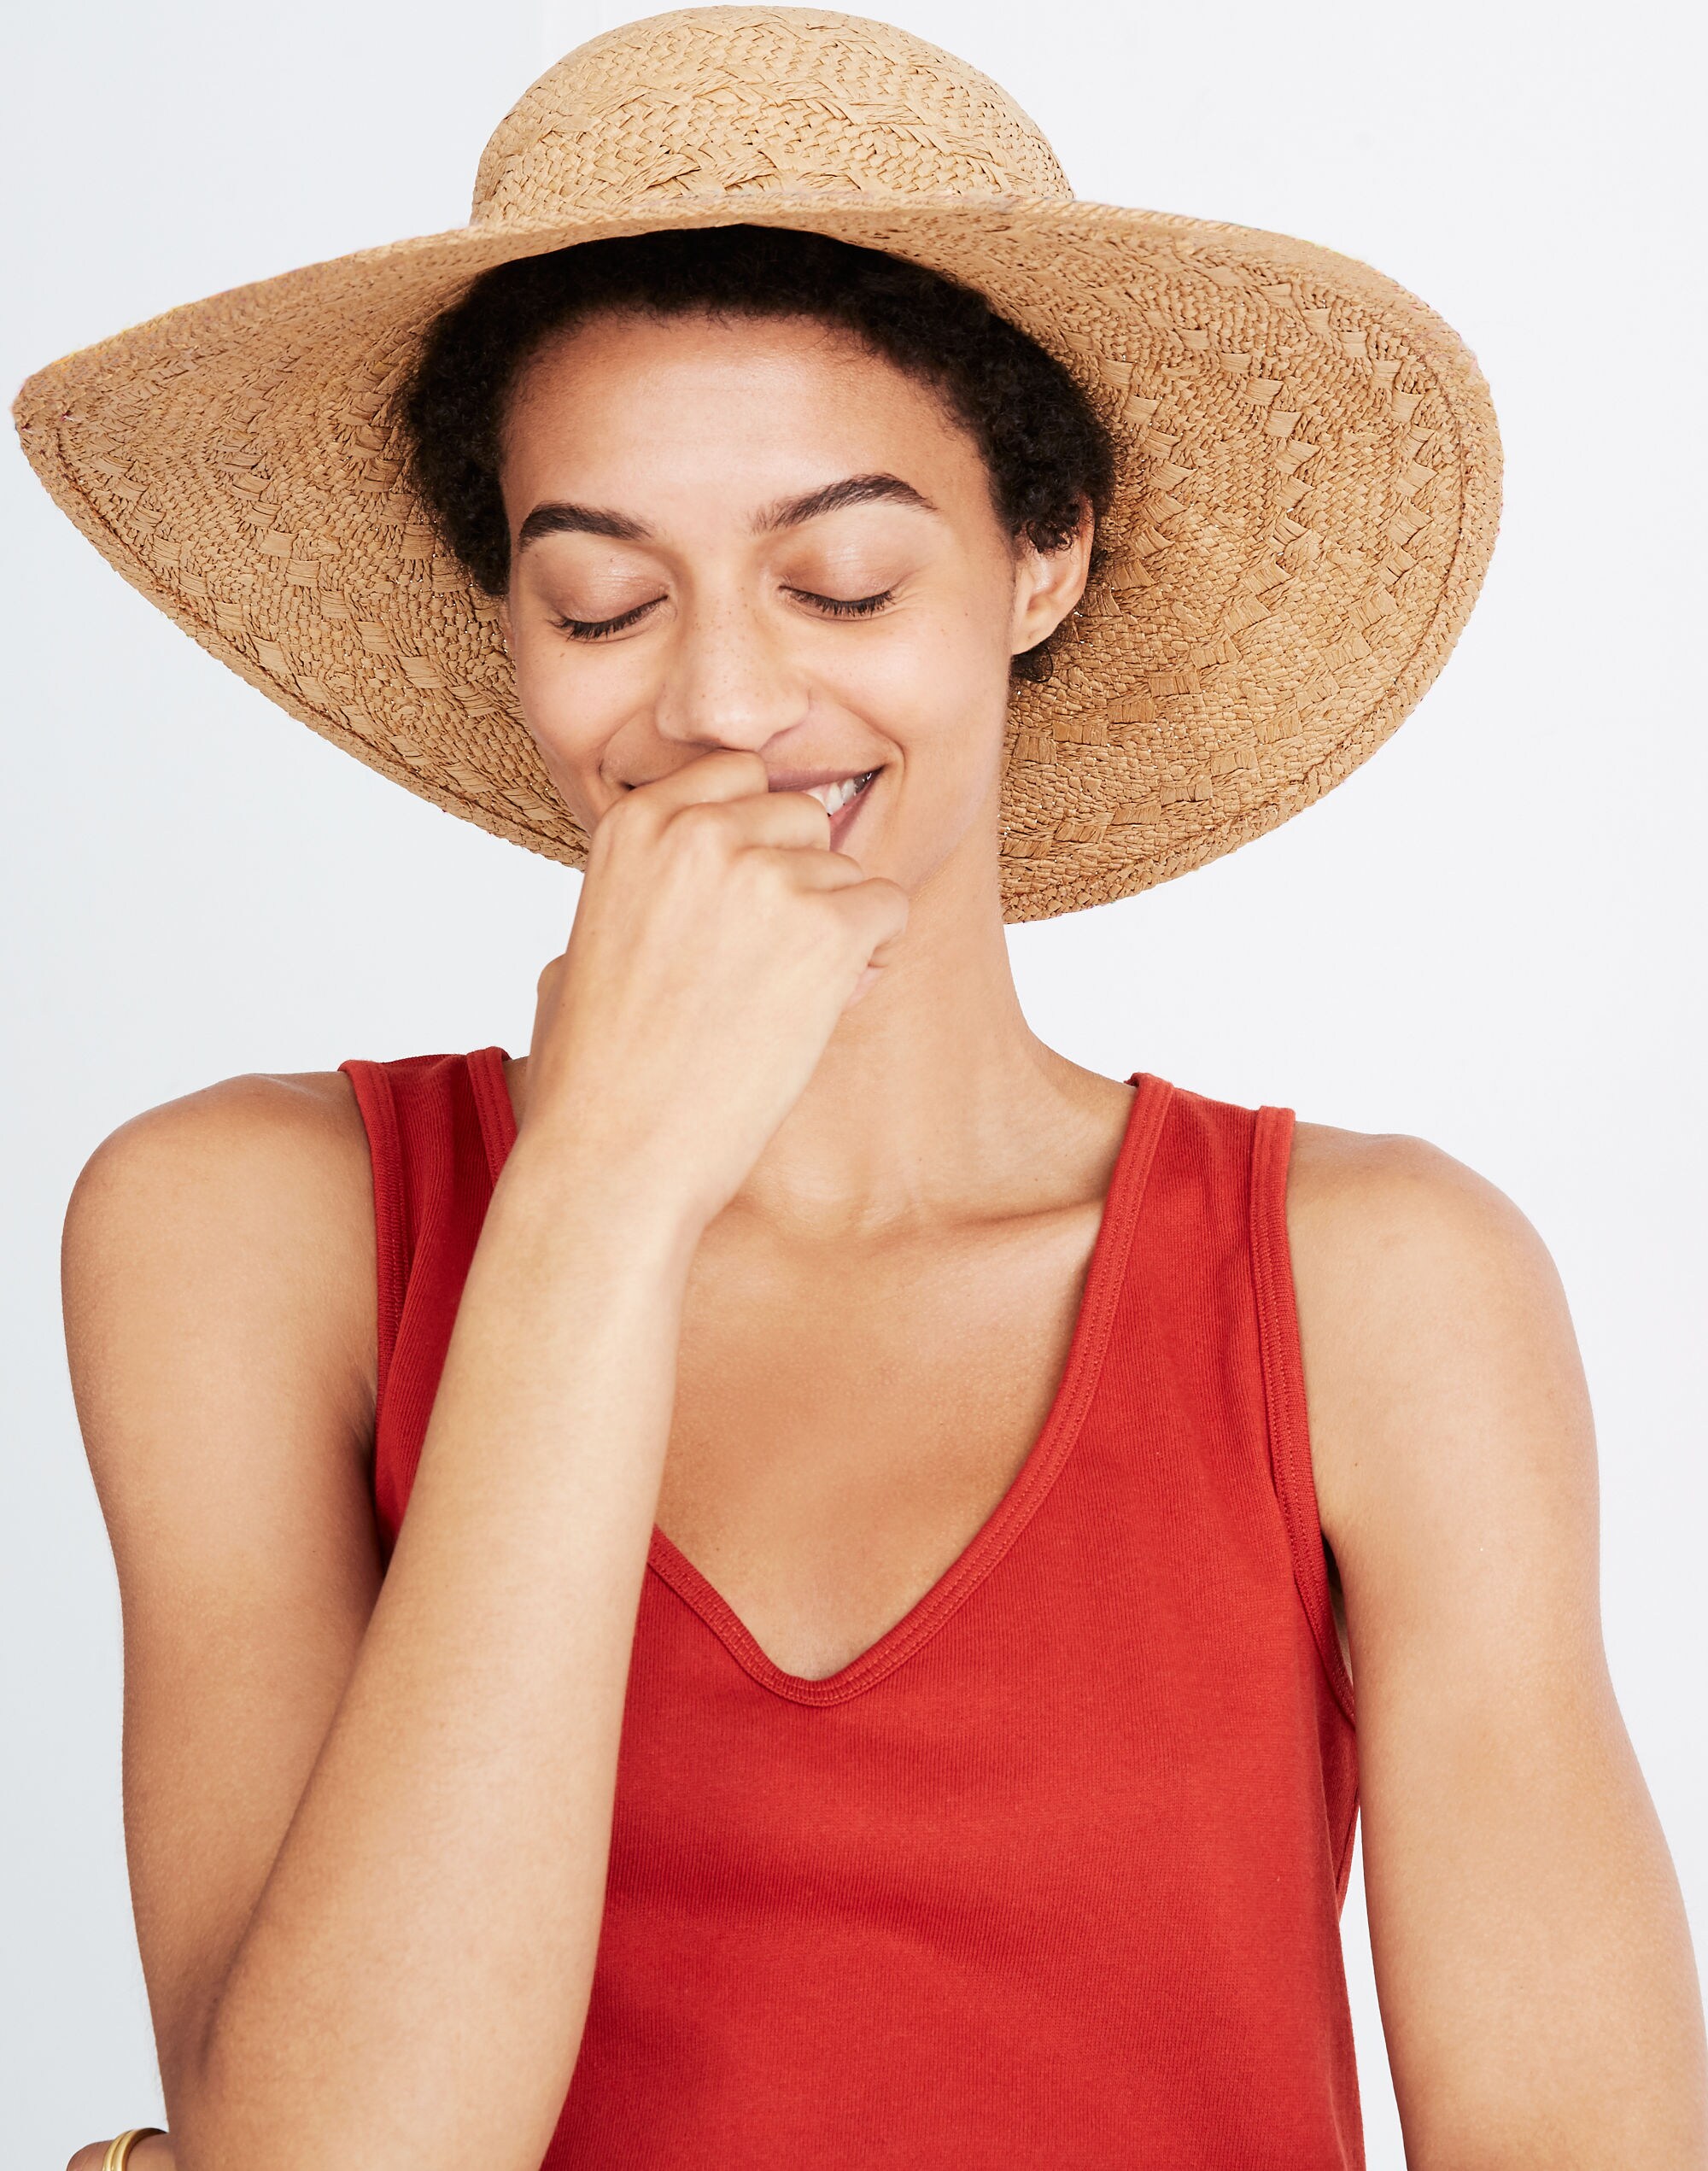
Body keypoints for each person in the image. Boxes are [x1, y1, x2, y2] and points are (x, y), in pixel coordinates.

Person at [22, 11, 1704, 2171]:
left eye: (842, 577)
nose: (726, 697)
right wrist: (605, 1184)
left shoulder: (1381, 1288)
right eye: (604, 596)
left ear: (1042, 556)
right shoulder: (243, 1227)